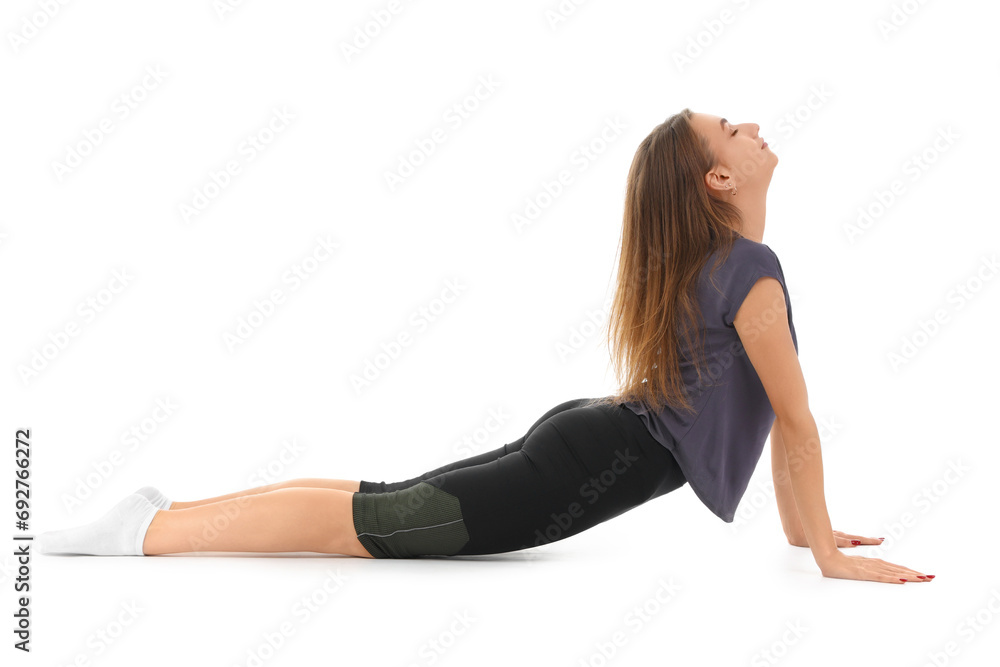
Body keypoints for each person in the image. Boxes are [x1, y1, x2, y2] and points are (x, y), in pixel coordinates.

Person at [38, 108, 934, 585]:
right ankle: (150, 530)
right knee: (371, 525)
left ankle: (160, 510)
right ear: (719, 176)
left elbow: (784, 416)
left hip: (591, 435)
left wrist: (802, 527)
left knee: (386, 503)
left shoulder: (722, 264)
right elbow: (798, 420)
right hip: (584, 453)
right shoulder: (750, 266)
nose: (748, 121)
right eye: (727, 127)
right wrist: (825, 553)